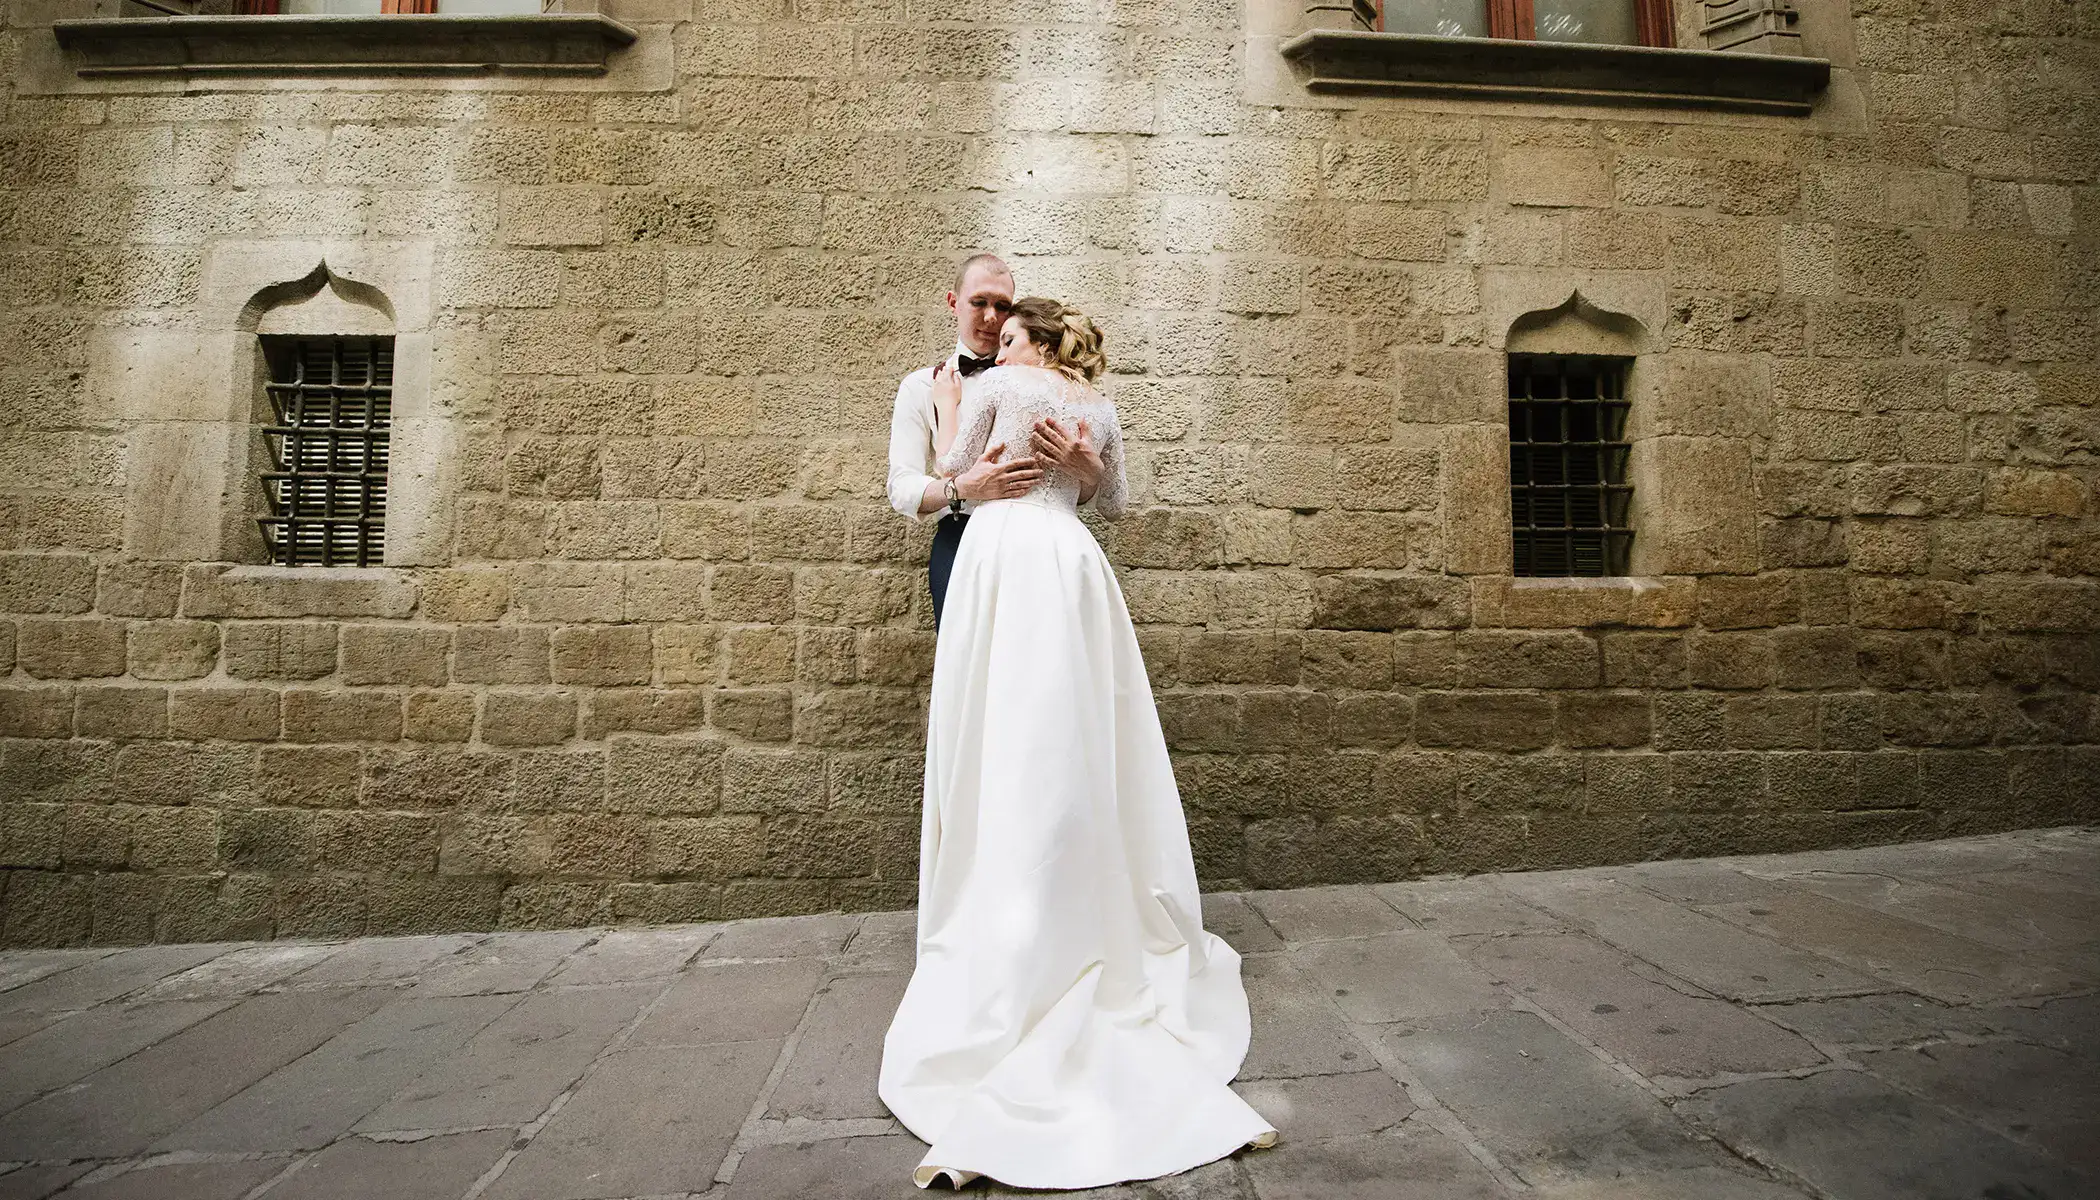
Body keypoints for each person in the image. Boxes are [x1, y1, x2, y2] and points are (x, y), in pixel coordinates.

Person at [878, 297, 1279, 1190]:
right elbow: (1116, 501)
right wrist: (1086, 470)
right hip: (1069, 559)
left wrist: (953, 417)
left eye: (1008, 332)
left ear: (1026, 338)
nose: (998, 342)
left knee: (1005, 729)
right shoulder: (1098, 407)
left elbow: (953, 471)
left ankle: (1007, 909)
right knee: (1078, 732)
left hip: (1002, 558)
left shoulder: (998, 385)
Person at [885, 254, 1104, 628]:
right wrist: (961, 488)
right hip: (960, 534)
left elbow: (1075, 490)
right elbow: (901, 486)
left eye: (1002, 306)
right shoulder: (922, 386)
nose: (990, 317)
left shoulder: (1057, 387)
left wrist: (1092, 473)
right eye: (979, 302)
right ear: (954, 303)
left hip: (1036, 542)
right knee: (966, 667)